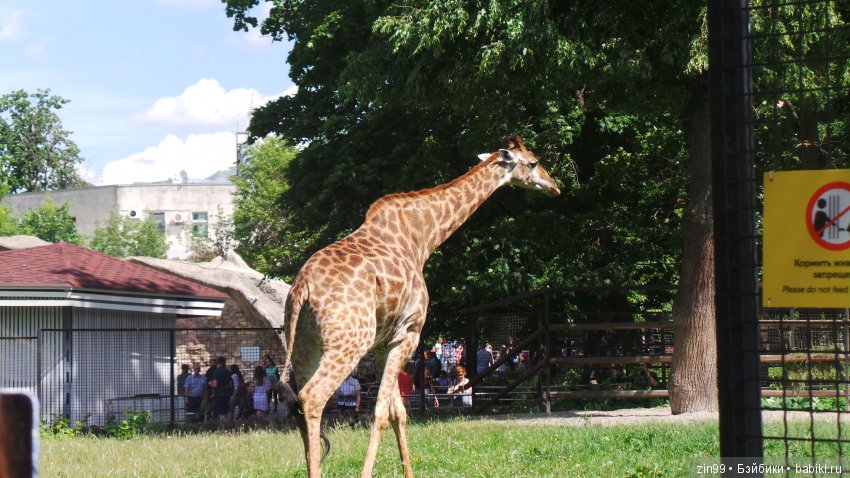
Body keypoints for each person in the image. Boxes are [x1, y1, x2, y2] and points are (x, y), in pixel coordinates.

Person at [211, 356, 232, 421]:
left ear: (218, 362)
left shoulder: (216, 371)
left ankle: (222, 427)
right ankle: (228, 426)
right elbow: (230, 384)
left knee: (220, 413)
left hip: (219, 395)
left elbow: (215, 384)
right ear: (224, 362)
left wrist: (210, 384)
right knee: (225, 413)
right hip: (227, 394)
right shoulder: (228, 372)